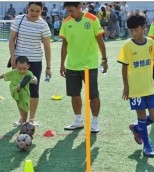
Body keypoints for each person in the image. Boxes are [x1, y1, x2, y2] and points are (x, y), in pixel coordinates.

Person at [117, 12, 154, 157]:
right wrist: (126, 86)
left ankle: (137, 129)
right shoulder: (127, 46)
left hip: (149, 87)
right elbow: (124, 67)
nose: (133, 32)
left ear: (144, 27)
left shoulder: (150, 43)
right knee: (142, 117)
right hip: (135, 90)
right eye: (131, 30)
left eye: (136, 29)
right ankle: (147, 146)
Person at [60, 2, 108, 133]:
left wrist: (104, 59)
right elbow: (64, 44)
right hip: (72, 66)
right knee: (74, 94)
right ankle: (78, 120)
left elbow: (100, 41)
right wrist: (61, 64)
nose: (70, 13)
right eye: (68, 11)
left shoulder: (93, 19)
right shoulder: (66, 22)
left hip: (90, 65)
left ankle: (95, 121)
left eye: (72, 10)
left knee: (93, 95)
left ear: (79, 7)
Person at [8, 2, 51, 127]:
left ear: (42, 11)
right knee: (19, 90)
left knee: (33, 90)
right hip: (19, 62)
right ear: (28, 9)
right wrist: (12, 57)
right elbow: (11, 39)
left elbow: (47, 47)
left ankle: (31, 119)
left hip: (35, 61)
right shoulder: (19, 19)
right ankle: (22, 118)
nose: (34, 14)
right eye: (32, 10)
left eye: (38, 11)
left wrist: (48, 67)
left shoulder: (43, 25)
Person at [0, 56, 38, 126]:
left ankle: (23, 122)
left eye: (24, 69)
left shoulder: (29, 73)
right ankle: (24, 122)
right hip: (14, 90)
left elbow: (34, 79)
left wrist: (35, 80)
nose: (22, 71)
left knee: (23, 108)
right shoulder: (13, 72)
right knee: (22, 107)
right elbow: (5, 75)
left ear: (28, 66)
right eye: (19, 69)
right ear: (16, 66)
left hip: (24, 94)